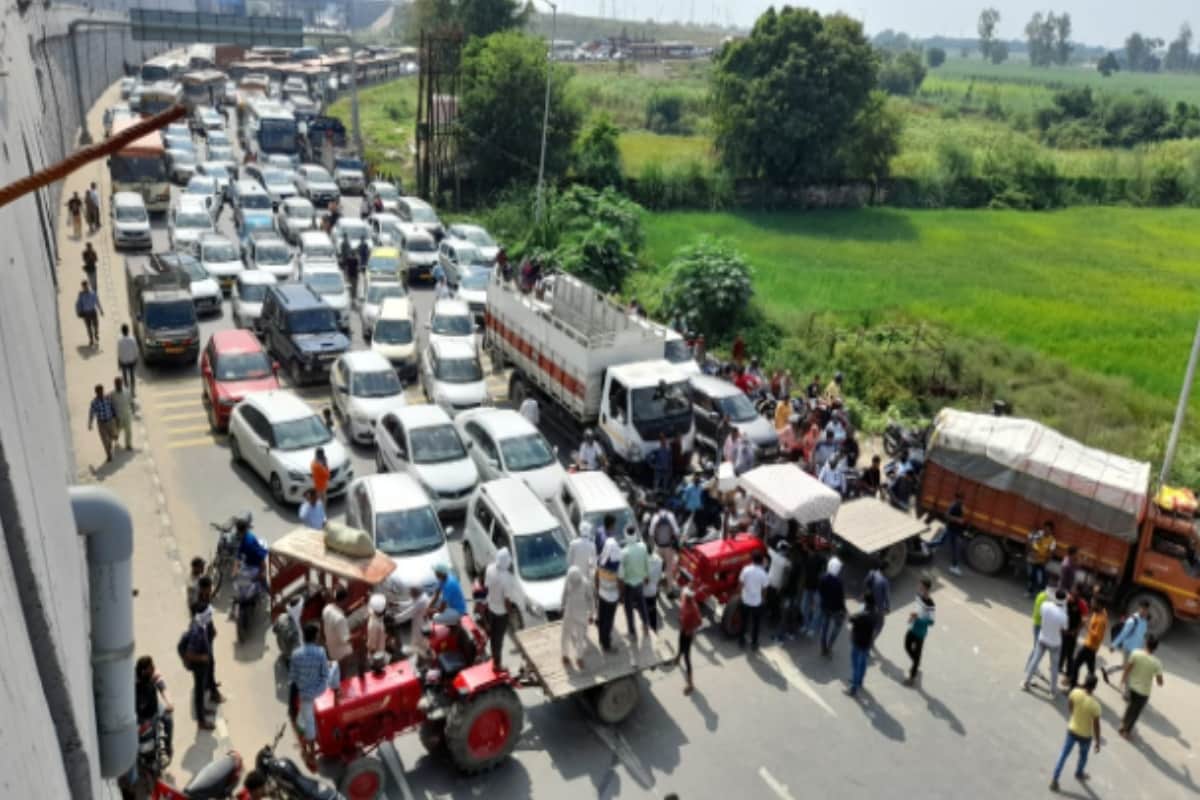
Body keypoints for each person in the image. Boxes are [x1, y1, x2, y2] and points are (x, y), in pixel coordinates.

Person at [1050, 675, 1102, 792]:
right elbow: (1096, 725)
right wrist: (1097, 742)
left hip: (1072, 730)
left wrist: (1073, 715)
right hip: (1085, 736)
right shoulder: (1095, 706)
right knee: (1083, 756)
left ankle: (1055, 779)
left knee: (1063, 755)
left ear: (1084, 683)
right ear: (1094, 687)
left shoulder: (1075, 692)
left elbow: (1070, 704)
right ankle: (1079, 773)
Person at [288, 622, 331, 764]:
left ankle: (305, 747)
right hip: (317, 692)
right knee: (309, 725)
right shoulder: (321, 653)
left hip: (303, 693)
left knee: (301, 720)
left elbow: (293, 677)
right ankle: (311, 754)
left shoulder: (295, 654)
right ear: (315, 637)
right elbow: (325, 675)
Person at [1023, 589, 1068, 698]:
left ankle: (1026, 682)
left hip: (1042, 638)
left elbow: (1042, 615)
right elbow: (1064, 629)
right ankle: (1052, 691)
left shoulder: (1045, 605)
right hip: (1055, 643)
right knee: (1054, 667)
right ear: (1064, 600)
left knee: (1035, 660)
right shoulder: (1063, 615)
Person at [1119, 635, 1164, 739]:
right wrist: (1158, 678)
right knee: (1135, 712)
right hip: (1144, 692)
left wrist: (1122, 680)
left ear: (1146, 644)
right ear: (1155, 648)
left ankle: (1123, 724)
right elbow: (1160, 682)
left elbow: (1127, 668)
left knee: (1130, 706)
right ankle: (1126, 731)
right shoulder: (1157, 663)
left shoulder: (1135, 653)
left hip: (1132, 686)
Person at [484, 548, 521, 671]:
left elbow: (487, 587)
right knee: (498, 639)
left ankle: (494, 659)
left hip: (491, 608)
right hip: (501, 613)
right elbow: (506, 601)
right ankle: (497, 665)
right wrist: (510, 613)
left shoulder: (489, 569)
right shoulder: (507, 578)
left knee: (493, 636)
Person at [182, 602, 216, 731]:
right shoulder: (196, 631)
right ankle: (201, 722)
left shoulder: (201, 624)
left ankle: (203, 710)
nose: (210, 616)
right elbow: (190, 654)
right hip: (199, 667)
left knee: (201, 691)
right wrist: (203, 658)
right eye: (208, 614)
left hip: (203, 665)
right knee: (199, 691)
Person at [134, 656, 174, 763]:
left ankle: (168, 747)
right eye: (150, 668)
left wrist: (169, 702)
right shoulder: (132, 683)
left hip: (155, 708)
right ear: (143, 671)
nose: (153, 669)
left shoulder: (153, 674)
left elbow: (162, 688)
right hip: (140, 716)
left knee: (168, 720)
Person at [1068, 589, 1108, 689]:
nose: (1091, 604)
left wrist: (1087, 625)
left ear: (1099, 605)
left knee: (1075, 664)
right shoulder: (1100, 612)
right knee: (1091, 669)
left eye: (1093, 603)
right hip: (1092, 647)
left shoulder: (1101, 620)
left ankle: (1072, 687)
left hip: (1089, 646)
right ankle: (1089, 686)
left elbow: (1097, 636)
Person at [1103, 600, 1150, 684]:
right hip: (1128, 648)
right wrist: (1113, 645)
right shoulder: (1132, 620)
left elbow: (1142, 636)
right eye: (1142, 609)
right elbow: (1123, 634)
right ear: (1139, 608)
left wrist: (1144, 648)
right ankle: (1127, 691)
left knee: (1127, 667)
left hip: (1137, 650)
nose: (1144, 611)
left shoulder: (1145, 621)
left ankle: (1108, 671)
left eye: (1146, 609)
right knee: (1128, 668)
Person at [619, 526, 651, 641]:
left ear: (626, 536)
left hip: (629, 585)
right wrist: (647, 576)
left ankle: (632, 633)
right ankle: (646, 625)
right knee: (642, 605)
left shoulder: (624, 552)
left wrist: (621, 592)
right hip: (640, 583)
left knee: (629, 610)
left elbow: (621, 576)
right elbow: (647, 562)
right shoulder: (643, 547)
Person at [846, 593, 879, 697]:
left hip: (858, 641)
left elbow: (850, 618)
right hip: (867, 642)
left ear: (866, 602)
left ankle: (853, 688)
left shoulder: (863, 615)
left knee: (856, 665)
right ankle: (859, 681)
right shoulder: (875, 613)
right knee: (863, 663)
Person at [904, 577, 936, 685]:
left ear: (926, 589)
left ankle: (912, 677)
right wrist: (912, 617)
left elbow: (931, 622)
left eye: (921, 586)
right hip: (912, 628)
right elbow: (916, 609)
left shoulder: (931, 605)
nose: (919, 587)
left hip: (920, 633)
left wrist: (919, 619)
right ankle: (916, 663)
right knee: (907, 646)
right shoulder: (918, 597)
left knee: (917, 654)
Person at [560, 566, 592, 670]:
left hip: (581, 614)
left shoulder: (586, 583)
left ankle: (579, 658)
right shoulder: (568, 581)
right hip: (569, 612)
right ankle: (565, 655)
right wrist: (562, 606)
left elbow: (591, 600)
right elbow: (564, 594)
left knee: (580, 638)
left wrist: (591, 614)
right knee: (565, 635)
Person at [595, 536, 623, 652]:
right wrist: (621, 595)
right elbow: (620, 582)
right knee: (608, 620)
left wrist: (598, 589)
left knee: (601, 618)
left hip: (602, 593)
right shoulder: (618, 565)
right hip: (612, 596)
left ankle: (602, 639)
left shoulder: (600, 560)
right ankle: (607, 645)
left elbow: (596, 576)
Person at [737, 551, 769, 650]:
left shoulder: (746, 570)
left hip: (745, 600)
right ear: (761, 561)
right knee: (756, 624)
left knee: (744, 622)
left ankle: (741, 640)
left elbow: (740, 584)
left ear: (752, 559)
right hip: (757, 603)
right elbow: (764, 589)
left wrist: (740, 595)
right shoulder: (763, 574)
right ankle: (754, 644)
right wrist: (763, 599)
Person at [322, 586, 354, 680]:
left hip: (331, 648)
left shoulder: (327, 608)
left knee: (335, 671)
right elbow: (345, 639)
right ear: (344, 600)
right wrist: (359, 636)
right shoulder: (340, 619)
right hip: (342, 654)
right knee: (342, 675)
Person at [931, 492, 966, 576]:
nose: (963, 500)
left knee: (950, 546)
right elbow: (946, 515)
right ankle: (926, 545)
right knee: (946, 544)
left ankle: (954, 567)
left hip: (954, 531)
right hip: (951, 530)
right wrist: (958, 520)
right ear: (958, 498)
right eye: (962, 499)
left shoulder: (959, 506)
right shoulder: (954, 505)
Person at [1059, 585, 1089, 682]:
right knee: (1062, 649)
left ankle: (1068, 673)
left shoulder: (1082, 604)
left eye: (1075, 592)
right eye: (1072, 591)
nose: (1072, 593)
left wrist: (1075, 631)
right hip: (1064, 629)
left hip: (1073, 632)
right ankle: (1058, 666)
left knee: (1070, 653)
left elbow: (1084, 620)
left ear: (1079, 594)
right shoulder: (1067, 599)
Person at [818, 556, 846, 656]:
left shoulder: (823, 578)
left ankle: (823, 648)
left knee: (824, 627)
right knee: (837, 627)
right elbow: (841, 599)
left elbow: (820, 591)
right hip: (836, 609)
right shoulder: (839, 583)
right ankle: (829, 647)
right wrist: (843, 610)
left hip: (825, 606)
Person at [676, 583, 701, 695]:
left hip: (688, 633)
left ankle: (690, 684)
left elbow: (699, 622)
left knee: (687, 657)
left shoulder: (694, 609)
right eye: (687, 596)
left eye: (689, 597)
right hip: (683, 629)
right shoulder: (684, 599)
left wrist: (691, 630)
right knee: (679, 644)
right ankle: (677, 657)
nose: (687, 598)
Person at [649, 504, 680, 594]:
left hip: (658, 546)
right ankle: (670, 590)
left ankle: (656, 589)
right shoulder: (671, 515)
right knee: (669, 569)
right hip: (669, 547)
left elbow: (651, 533)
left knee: (657, 568)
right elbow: (677, 531)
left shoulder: (655, 517)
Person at [800, 539, 829, 637]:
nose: (817, 546)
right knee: (804, 607)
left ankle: (812, 628)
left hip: (817, 587)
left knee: (816, 609)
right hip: (807, 585)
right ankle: (806, 624)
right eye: (816, 544)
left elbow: (823, 573)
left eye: (819, 545)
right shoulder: (808, 556)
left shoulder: (823, 559)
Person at [87, 383, 117, 463]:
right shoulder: (94, 403)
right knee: (104, 440)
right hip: (101, 423)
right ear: (96, 392)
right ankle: (109, 455)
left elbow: (112, 407)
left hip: (110, 421)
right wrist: (90, 423)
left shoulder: (108, 398)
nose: (100, 393)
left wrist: (115, 417)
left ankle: (110, 442)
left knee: (112, 436)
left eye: (101, 391)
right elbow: (91, 413)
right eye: (98, 392)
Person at [863, 559, 891, 646]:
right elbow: (887, 597)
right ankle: (870, 641)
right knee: (880, 625)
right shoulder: (884, 581)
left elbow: (864, 584)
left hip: (868, 603)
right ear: (885, 569)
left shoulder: (871, 573)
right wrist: (888, 608)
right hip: (878, 607)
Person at [1026, 520, 1057, 596]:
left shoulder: (1052, 540)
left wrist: (1045, 562)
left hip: (1042, 562)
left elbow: (1051, 553)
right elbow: (1030, 540)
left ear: (1051, 530)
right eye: (1045, 528)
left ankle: (1040, 594)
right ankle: (1030, 591)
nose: (1046, 531)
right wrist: (1032, 551)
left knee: (1042, 579)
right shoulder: (1038, 534)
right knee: (1031, 577)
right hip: (1034, 560)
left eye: (1048, 529)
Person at [110, 376, 134, 451]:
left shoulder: (127, 391)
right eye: (117, 383)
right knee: (117, 431)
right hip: (117, 417)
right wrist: (113, 417)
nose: (118, 385)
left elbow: (131, 401)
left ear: (122, 383)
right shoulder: (112, 394)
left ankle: (128, 444)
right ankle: (116, 443)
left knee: (128, 431)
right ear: (114, 384)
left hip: (127, 414)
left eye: (119, 383)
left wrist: (133, 410)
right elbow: (110, 406)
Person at [76, 281, 103, 347]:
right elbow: (78, 304)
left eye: (86, 286)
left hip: (93, 311)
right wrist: (78, 311)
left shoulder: (93, 293)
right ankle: (91, 340)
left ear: (88, 285)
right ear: (82, 287)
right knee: (88, 327)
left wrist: (101, 310)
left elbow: (97, 301)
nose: (85, 288)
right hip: (85, 313)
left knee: (96, 325)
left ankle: (96, 334)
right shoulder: (81, 294)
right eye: (84, 287)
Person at [644, 543, 664, 632]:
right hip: (654, 590)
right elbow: (660, 576)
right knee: (652, 611)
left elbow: (645, 580)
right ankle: (653, 630)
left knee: (644, 613)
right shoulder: (659, 559)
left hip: (644, 591)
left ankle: (646, 630)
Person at [366, 593, 389, 668]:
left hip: (381, 650)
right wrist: (376, 662)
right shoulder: (374, 625)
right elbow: (372, 647)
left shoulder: (377, 617)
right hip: (377, 659)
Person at [117, 324, 138, 396]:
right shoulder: (132, 339)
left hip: (124, 361)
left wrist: (119, 361)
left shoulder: (120, 340)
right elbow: (135, 349)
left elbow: (119, 352)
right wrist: (136, 358)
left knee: (125, 376)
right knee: (132, 376)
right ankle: (133, 391)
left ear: (122, 331)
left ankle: (127, 391)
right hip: (131, 360)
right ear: (128, 331)